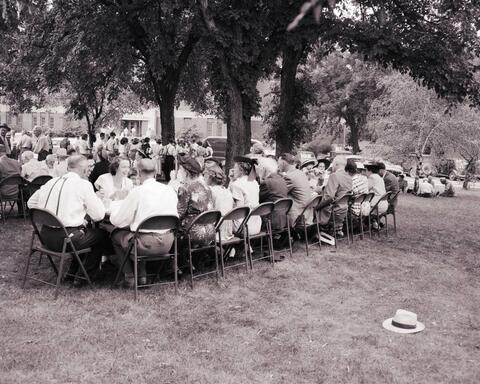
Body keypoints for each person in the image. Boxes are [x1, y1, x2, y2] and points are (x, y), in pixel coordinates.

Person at [27, 155, 108, 286]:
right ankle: (83, 277)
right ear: (83, 169)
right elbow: (99, 216)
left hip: (45, 237)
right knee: (101, 235)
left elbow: (31, 203)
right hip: (66, 240)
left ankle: (72, 273)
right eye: (89, 168)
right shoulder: (83, 185)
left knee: (83, 231)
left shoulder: (51, 182)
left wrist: (53, 212)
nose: (90, 170)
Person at [109, 159, 178, 287]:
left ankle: (129, 276)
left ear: (139, 172)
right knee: (137, 233)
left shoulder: (137, 192)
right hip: (168, 243)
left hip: (145, 245)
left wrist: (114, 207)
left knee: (116, 234)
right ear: (156, 172)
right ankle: (142, 276)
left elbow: (118, 221)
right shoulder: (170, 190)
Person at [177, 156, 215, 250]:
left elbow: (179, 213)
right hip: (210, 231)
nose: (178, 172)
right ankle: (196, 260)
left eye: (180, 170)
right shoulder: (207, 187)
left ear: (186, 172)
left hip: (193, 232)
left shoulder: (185, 188)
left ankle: (176, 262)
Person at [318, 157, 353, 237]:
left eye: (332, 164)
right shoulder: (349, 177)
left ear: (336, 164)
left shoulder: (334, 175)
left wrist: (317, 207)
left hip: (334, 210)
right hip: (343, 209)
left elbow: (329, 197)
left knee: (311, 206)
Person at [229, 156, 262, 235]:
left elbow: (239, 210)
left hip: (242, 226)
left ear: (241, 169)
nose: (233, 170)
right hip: (256, 225)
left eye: (235, 167)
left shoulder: (237, 185)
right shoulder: (254, 182)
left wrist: (231, 181)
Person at [278, 153, 312, 226]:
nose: (278, 165)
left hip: (297, 215)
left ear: (283, 162)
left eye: (279, 162)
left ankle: (274, 234)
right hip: (306, 212)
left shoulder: (289, 176)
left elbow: (279, 193)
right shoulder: (300, 173)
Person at [257, 156, 288, 230]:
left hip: (269, 220)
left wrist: (260, 177)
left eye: (259, 169)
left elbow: (256, 198)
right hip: (281, 218)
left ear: (264, 169)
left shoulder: (267, 183)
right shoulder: (281, 180)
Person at [205, 164, 234, 241]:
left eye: (205, 175)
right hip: (227, 231)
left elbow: (207, 212)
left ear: (209, 177)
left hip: (216, 230)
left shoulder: (210, 191)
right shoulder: (227, 191)